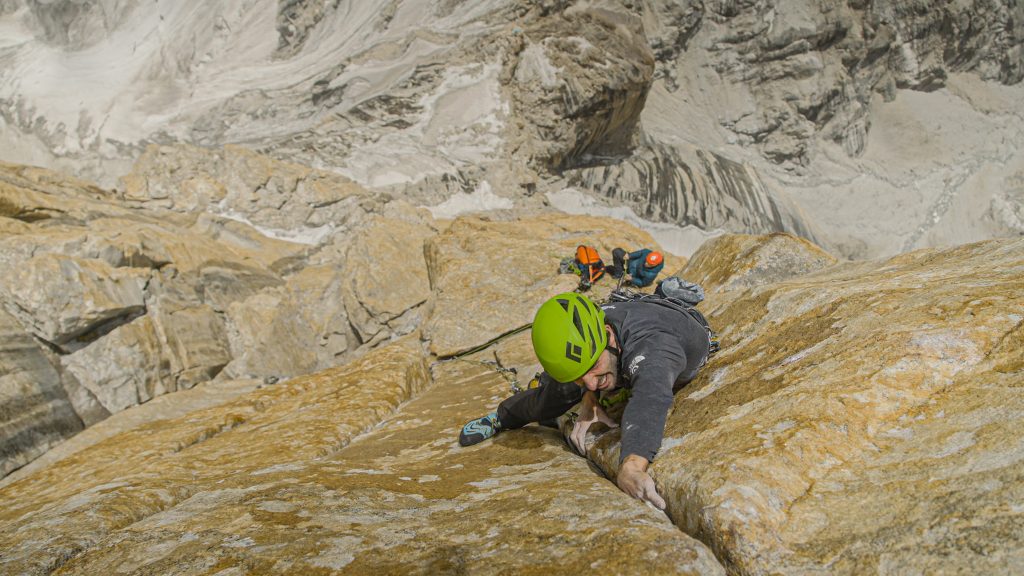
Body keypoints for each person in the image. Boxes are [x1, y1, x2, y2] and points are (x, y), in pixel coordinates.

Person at [458, 292, 715, 509]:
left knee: (588, 383)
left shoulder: (654, 346)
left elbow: (651, 396)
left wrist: (633, 465)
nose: (592, 382)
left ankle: (667, 293)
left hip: (666, 322)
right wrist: (589, 398)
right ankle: (500, 417)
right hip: (626, 319)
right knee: (556, 394)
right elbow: (586, 375)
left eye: (594, 367)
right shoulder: (597, 347)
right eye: (583, 378)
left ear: (608, 335)